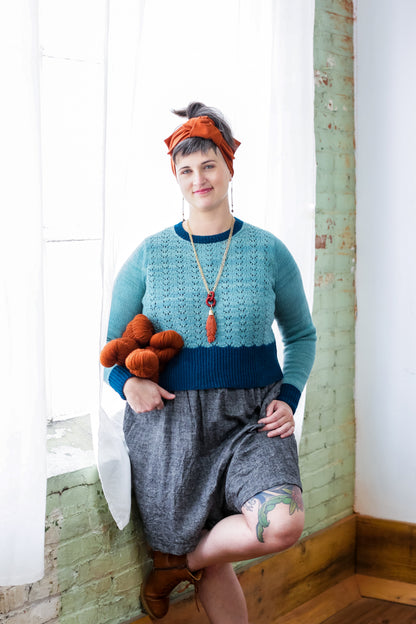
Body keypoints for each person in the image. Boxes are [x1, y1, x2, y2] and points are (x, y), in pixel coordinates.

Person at [104, 102, 316, 623]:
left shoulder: (268, 251)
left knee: (281, 524)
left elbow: (302, 336)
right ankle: (191, 558)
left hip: (254, 421)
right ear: (175, 177)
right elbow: (111, 345)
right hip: (170, 429)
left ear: (229, 167)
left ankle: (179, 563)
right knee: (217, 553)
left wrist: (288, 398)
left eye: (208, 165)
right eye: (186, 170)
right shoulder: (149, 255)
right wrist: (126, 386)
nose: (198, 179)